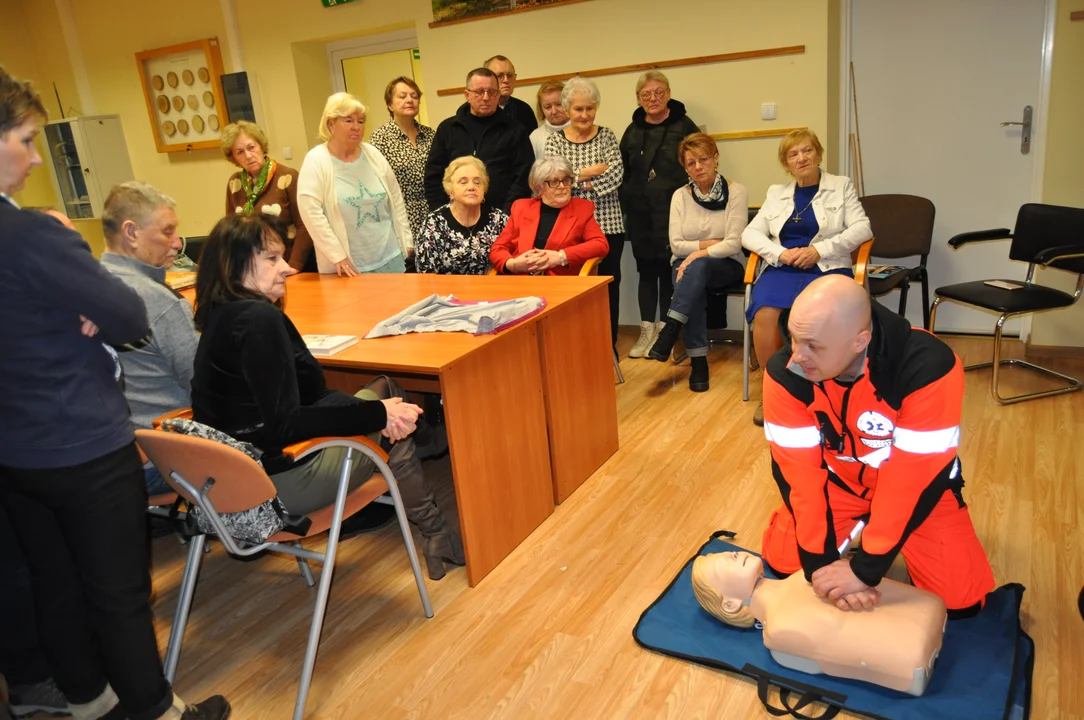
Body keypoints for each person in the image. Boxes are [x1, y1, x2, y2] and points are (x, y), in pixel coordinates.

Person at [0, 66, 229, 720]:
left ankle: (89, 702)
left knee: (54, 581)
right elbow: (127, 317)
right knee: (118, 592)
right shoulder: (31, 235)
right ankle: (158, 710)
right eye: (24, 138)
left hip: (15, 446)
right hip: (81, 440)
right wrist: (83, 314)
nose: (36, 155)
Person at [190, 213, 464, 580]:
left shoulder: (216, 316)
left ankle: (424, 454)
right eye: (272, 259)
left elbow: (300, 402)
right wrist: (377, 415)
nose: (287, 268)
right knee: (389, 398)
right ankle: (435, 523)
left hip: (227, 486)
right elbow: (287, 423)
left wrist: (375, 413)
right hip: (281, 485)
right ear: (237, 264)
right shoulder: (258, 320)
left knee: (385, 406)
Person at [761, 275, 995, 618]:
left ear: (861, 341)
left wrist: (864, 570)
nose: (797, 357)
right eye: (794, 339)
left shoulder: (928, 367)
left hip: (920, 490)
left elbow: (913, 480)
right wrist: (821, 567)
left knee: (960, 604)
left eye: (813, 345)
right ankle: (852, 535)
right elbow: (797, 473)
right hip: (836, 485)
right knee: (785, 568)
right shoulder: (785, 373)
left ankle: (871, 539)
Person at [742, 129, 871, 425]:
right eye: (793, 154)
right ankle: (772, 390)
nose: (801, 158)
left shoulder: (840, 186)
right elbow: (749, 234)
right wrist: (779, 254)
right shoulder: (777, 193)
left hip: (825, 266)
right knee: (765, 314)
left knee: (821, 318)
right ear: (786, 164)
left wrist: (819, 250)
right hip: (784, 267)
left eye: (807, 151)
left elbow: (862, 228)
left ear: (818, 154)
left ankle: (825, 388)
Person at [691, 550, 946, 696]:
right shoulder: (779, 629)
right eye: (722, 564)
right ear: (730, 604)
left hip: (922, 619)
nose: (732, 553)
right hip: (910, 653)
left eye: (728, 553)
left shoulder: (801, 577)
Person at [100, 182, 198, 495]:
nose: (177, 243)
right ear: (131, 233)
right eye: (167, 232)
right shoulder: (159, 301)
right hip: (166, 457)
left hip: (111, 456)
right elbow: (203, 386)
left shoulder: (89, 285)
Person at [646, 133, 748, 392]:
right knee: (695, 278)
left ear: (716, 159)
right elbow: (676, 244)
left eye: (703, 159)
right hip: (685, 265)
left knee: (696, 267)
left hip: (727, 265)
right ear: (685, 167)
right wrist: (708, 245)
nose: (698, 167)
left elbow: (734, 244)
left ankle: (673, 328)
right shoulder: (680, 196)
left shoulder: (736, 192)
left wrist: (696, 253)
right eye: (691, 163)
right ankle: (698, 363)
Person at [619, 71, 699, 358]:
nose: (652, 99)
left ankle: (665, 332)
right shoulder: (632, 130)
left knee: (667, 271)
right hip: (640, 212)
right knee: (646, 270)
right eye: (646, 94)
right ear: (639, 98)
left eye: (658, 92)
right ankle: (645, 332)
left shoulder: (684, 125)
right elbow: (624, 171)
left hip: (673, 212)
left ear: (668, 93)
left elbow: (696, 165)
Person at [543, 76, 625, 348]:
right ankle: (578, 347)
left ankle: (607, 346)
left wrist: (574, 178)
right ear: (567, 110)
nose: (585, 114)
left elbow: (616, 176)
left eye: (590, 108)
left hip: (608, 226)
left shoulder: (607, 136)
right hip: (569, 228)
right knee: (574, 291)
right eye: (578, 109)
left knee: (608, 289)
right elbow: (554, 178)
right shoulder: (555, 141)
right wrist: (588, 173)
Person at [298, 92, 413, 276]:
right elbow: (311, 213)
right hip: (347, 265)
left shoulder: (373, 154)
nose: (356, 127)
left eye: (360, 121)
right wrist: (337, 255)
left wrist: (407, 240)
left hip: (390, 257)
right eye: (348, 121)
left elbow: (396, 198)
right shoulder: (316, 160)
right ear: (330, 124)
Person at [423, 68, 533, 213]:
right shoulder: (448, 129)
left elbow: (523, 178)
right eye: (479, 92)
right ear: (467, 95)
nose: (486, 97)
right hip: (455, 217)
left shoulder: (515, 130)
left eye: (492, 92)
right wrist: (442, 215)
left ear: (498, 94)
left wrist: (506, 215)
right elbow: (433, 176)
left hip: (502, 217)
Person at [489, 156, 609, 276]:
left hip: (561, 285)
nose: (562, 186)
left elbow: (600, 245)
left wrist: (561, 256)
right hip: (521, 283)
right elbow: (497, 249)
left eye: (566, 180)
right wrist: (514, 264)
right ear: (539, 187)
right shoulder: (521, 208)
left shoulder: (581, 209)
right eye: (554, 182)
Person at [222, 120, 314, 272]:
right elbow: (231, 230)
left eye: (251, 147)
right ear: (234, 158)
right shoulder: (235, 183)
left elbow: (304, 226)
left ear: (261, 147)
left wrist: (293, 266)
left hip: (287, 264)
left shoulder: (287, 176)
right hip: (251, 268)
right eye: (240, 152)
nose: (248, 155)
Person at [368, 76, 434, 252]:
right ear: (390, 105)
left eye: (414, 96)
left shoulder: (430, 135)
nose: (409, 100)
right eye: (402, 96)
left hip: (432, 215)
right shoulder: (379, 139)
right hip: (399, 217)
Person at [415, 156, 508, 275]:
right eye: (463, 182)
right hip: (446, 292)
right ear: (450, 191)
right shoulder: (433, 224)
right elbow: (426, 274)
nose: (471, 187)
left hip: (491, 290)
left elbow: (511, 259)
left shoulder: (499, 220)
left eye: (477, 182)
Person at [484, 55, 538, 134]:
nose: (506, 80)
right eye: (499, 76)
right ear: (486, 79)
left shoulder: (524, 109)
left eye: (510, 75)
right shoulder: (472, 110)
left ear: (515, 78)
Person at [529, 81, 569, 160]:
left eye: (559, 104)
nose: (554, 111)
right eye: (548, 107)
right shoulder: (535, 137)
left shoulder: (583, 129)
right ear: (541, 109)